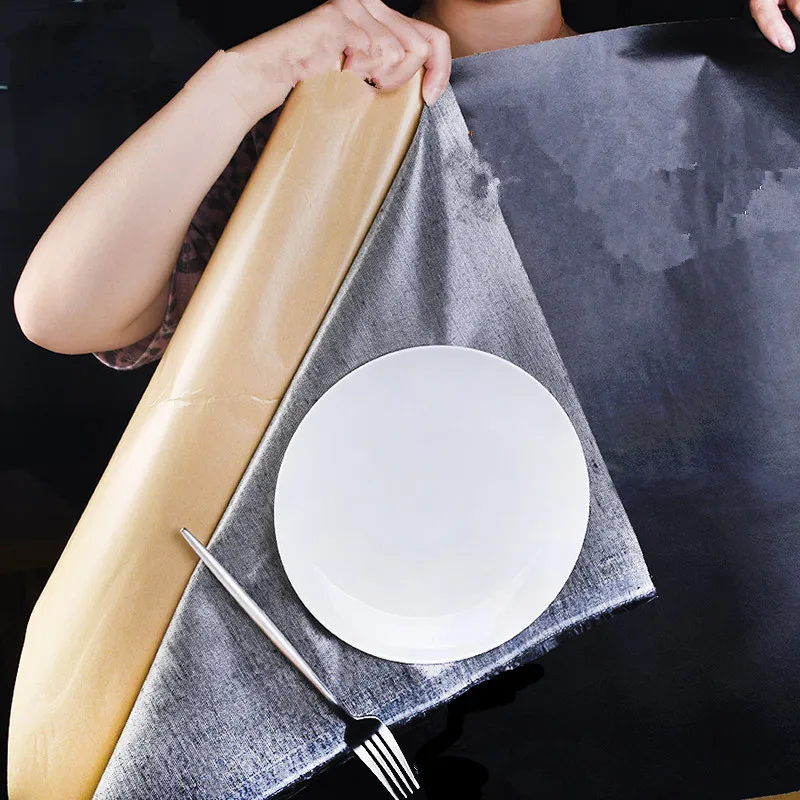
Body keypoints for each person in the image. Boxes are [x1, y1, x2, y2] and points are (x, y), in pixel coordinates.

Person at [13, 0, 795, 369]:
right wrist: (242, 81)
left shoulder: (701, 103)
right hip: (369, 604)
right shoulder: (312, 123)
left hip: (676, 599)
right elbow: (64, 313)